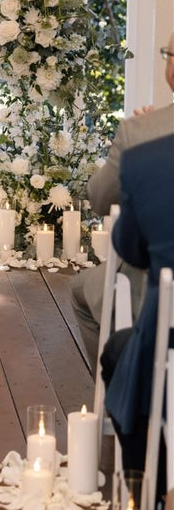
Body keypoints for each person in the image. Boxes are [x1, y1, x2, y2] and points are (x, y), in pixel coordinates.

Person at [70, 34, 174, 370]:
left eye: (168, 54)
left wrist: (145, 142)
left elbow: (100, 198)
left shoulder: (141, 133)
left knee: (82, 289)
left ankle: (122, 399)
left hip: (159, 293)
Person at [102, 133, 174, 483]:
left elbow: (129, 249)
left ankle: (152, 493)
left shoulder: (147, 161)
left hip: (166, 365)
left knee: (119, 350)